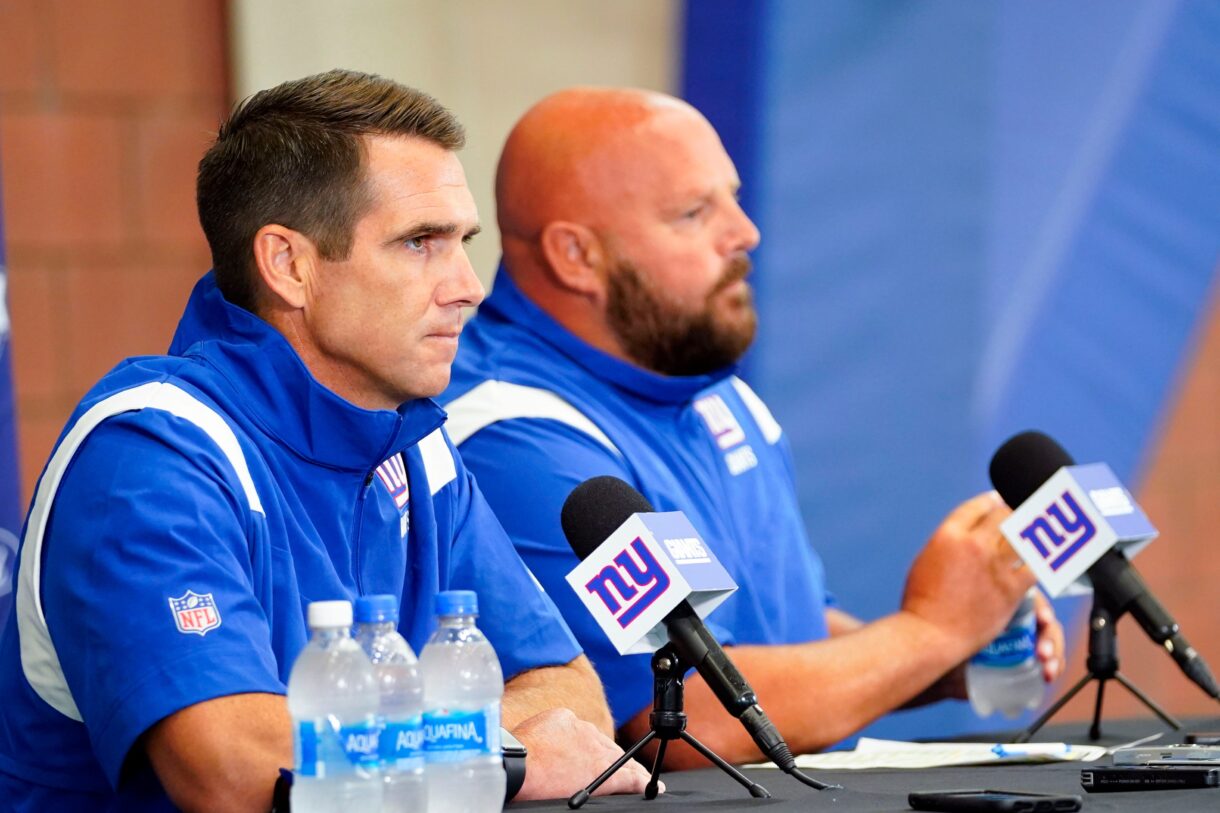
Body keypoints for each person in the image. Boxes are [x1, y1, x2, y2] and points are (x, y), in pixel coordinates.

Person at [0, 71, 650, 811]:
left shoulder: (415, 444)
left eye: (462, 242)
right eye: (419, 244)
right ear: (289, 265)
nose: (469, 286)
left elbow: (571, 695)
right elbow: (232, 763)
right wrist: (496, 752)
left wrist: (428, 745)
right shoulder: (151, 458)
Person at [440, 87, 1066, 768]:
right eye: (693, 212)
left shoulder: (712, 391)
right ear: (576, 257)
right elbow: (687, 721)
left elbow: (789, 633)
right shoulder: (514, 438)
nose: (744, 232)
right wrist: (929, 630)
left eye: (731, 197)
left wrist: (946, 649)